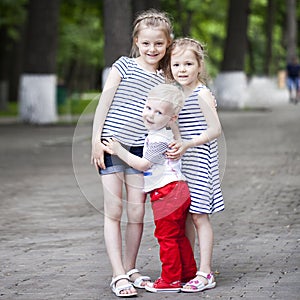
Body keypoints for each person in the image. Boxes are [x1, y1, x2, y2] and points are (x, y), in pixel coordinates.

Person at [91, 9, 173, 298]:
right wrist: (95, 140)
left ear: (167, 43)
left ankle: (130, 268)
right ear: (137, 41)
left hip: (141, 150)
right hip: (111, 145)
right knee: (114, 210)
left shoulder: (167, 75)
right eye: (147, 43)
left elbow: (180, 103)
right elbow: (103, 104)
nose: (153, 49)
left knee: (137, 212)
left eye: (159, 44)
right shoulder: (123, 66)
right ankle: (118, 275)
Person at [103, 83, 197, 293]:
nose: (150, 115)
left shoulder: (158, 139)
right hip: (177, 190)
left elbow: (143, 164)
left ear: (171, 118)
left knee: (167, 237)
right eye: (148, 108)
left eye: (159, 112)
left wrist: (119, 150)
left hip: (167, 193)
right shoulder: (165, 133)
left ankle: (170, 280)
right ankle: (187, 273)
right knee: (178, 235)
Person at [164, 37, 225, 293]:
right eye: (177, 64)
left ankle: (205, 271)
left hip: (201, 162)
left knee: (200, 215)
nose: (182, 69)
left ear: (199, 66)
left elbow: (216, 129)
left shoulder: (202, 94)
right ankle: (188, 269)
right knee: (185, 216)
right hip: (183, 164)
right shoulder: (177, 93)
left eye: (188, 63)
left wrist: (187, 145)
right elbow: (179, 130)